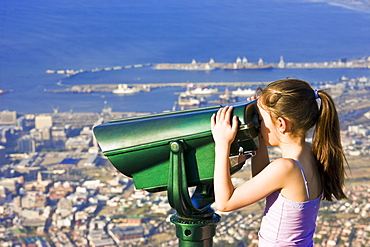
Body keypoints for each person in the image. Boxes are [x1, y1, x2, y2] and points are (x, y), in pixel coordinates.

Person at [210, 78, 348, 246]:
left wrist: (222, 144)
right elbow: (262, 180)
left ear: (281, 124)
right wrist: (256, 134)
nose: (258, 125)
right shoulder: (311, 154)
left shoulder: (286, 168)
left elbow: (225, 203)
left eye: (260, 121)